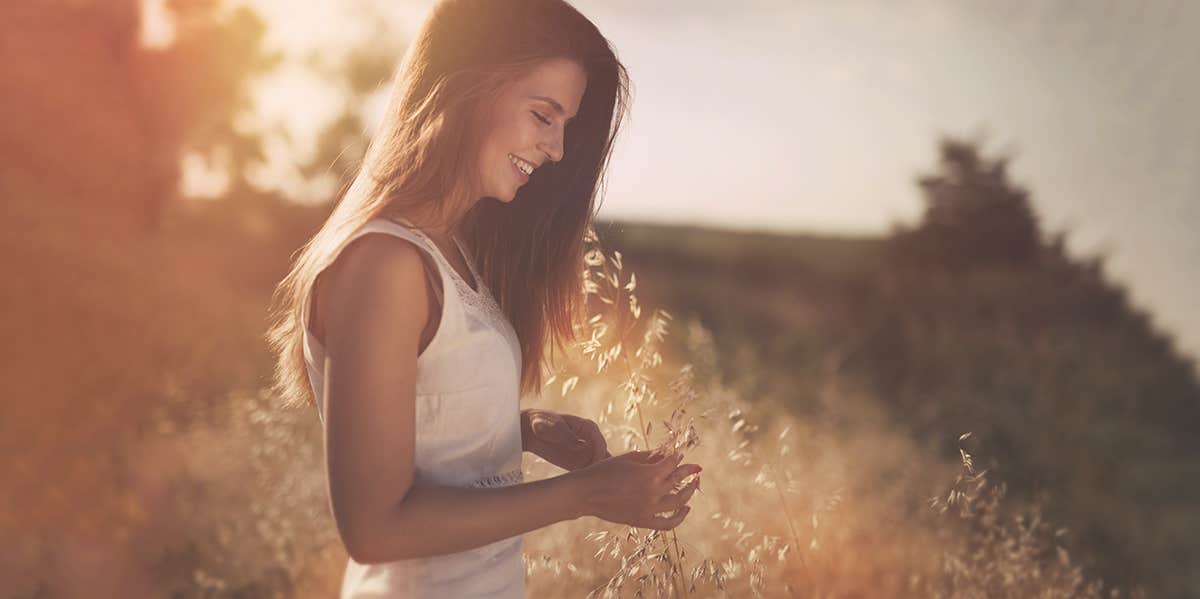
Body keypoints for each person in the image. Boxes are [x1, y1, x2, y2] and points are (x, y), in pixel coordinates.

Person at [265, 0, 702, 596]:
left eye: (565, 126)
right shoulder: (385, 264)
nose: (556, 150)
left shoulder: (451, 251)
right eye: (543, 116)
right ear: (466, 89)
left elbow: (420, 424)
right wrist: (585, 494)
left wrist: (517, 431)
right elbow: (374, 529)